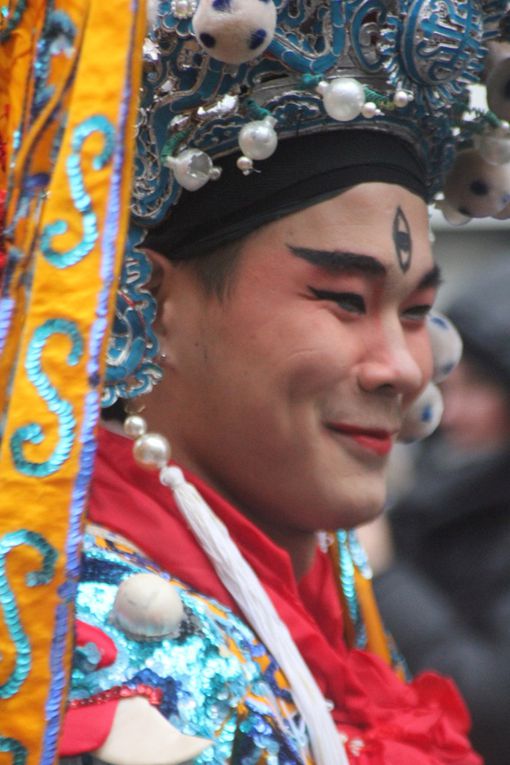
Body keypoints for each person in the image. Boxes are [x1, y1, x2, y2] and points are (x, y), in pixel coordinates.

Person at [2, 2, 510, 765]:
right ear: (152, 303)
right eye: (343, 299)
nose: (402, 368)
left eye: (417, 311)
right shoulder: (69, 646)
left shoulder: (314, 607)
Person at [365, 264, 510, 765]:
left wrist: (384, 576)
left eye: (482, 390)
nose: (451, 414)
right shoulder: (453, 476)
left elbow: (493, 706)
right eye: (453, 386)